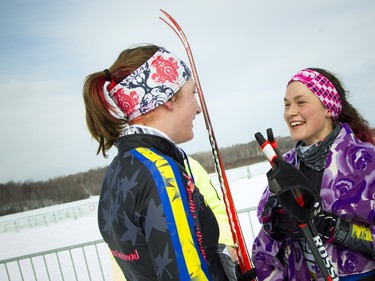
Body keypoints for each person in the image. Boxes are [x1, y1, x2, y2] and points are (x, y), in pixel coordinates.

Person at [83, 44, 229, 281]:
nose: (198, 108)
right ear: (168, 98)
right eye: (192, 93)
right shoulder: (160, 173)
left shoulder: (119, 170)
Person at [251, 68, 375, 281]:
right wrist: (275, 226)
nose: (290, 112)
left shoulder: (365, 160)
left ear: (328, 107)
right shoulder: (285, 166)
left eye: (301, 102)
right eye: (287, 104)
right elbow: (263, 251)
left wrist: (338, 229)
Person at [110, 156, 239, 281]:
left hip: (202, 267)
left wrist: (226, 247)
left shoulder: (185, 165)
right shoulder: (117, 175)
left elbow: (216, 209)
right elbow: (118, 239)